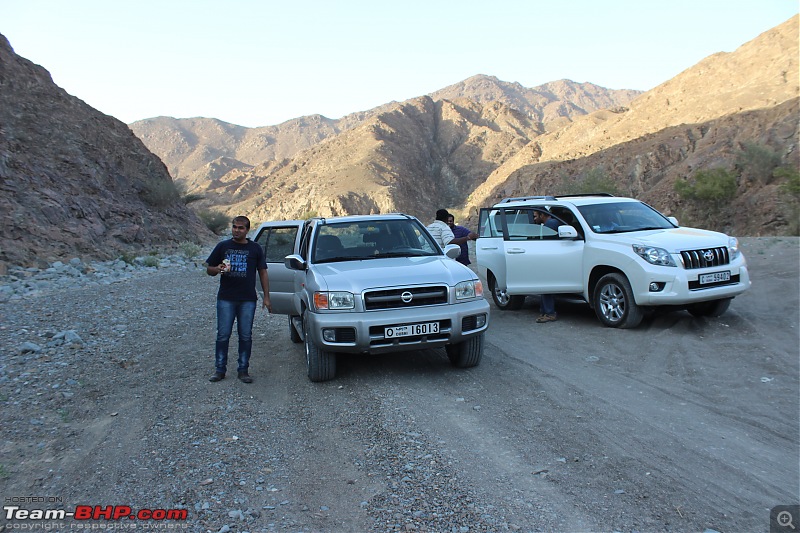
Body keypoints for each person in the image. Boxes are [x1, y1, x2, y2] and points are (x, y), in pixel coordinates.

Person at [206, 216, 271, 383]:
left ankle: (243, 370)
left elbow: (263, 272)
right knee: (223, 335)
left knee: (245, 336)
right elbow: (209, 270)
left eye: (241, 228)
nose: (236, 230)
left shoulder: (255, 248)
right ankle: (219, 370)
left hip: (248, 299)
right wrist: (217, 269)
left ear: (247, 230)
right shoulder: (223, 246)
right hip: (226, 298)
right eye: (234, 227)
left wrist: (266, 297)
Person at [533, 209, 560, 323]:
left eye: (535, 216)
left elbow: (545, 242)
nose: (534, 219)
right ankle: (545, 311)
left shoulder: (550, 224)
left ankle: (549, 312)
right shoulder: (550, 223)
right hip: (551, 258)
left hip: (550, 259)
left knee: (546, 285)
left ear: (542, 214)